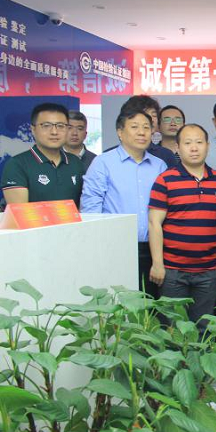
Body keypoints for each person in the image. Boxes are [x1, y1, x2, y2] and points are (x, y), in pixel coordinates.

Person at [148, 124, 216, 329]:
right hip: (172, 271)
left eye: (199, 142)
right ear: (178, 147)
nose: (194, 148)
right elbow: (154, 223)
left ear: (207, 146)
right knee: (172, 330)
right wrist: (157, 264)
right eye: (188, 143)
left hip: (208, 271)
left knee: (203, 329)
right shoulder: (165, 180)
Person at [81, 108, 167, 298]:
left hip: (152, 249)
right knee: (118, 303)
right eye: (134, 127)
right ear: (120, 132)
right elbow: (91, 208)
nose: (142, 132)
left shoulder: (159, 165)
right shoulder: (103, 163)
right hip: (115, 246)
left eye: (146, 127)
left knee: (150, 305)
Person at [2, 103, 84, 206]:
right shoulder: (17, 164)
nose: (54, 132)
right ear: (33, 129)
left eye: (60, 126)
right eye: (46, 126)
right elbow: (20, 211)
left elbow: (85, 206)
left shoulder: (76, 163)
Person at [119, 95, 178, 168]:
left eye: (154, 115)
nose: (151, 119)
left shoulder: (166, 155)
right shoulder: (108, 157)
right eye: (145, 114)